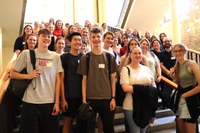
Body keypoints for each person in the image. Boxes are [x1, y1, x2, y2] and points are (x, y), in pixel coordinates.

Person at [10, 29, 63, 133]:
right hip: (30, 102)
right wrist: (28, 76)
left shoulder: (56, 57)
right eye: (43, 36)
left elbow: (58, 81)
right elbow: (12, 74)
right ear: (38, 37)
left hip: (49, 103)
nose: (46, 38)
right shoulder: (26, 54)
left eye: (48, 36)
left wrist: (57, 102)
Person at [77, 28, 118, 133]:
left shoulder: (109, 57)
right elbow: (84, 80)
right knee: (89, 129)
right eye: (93, 37)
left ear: (102, 38)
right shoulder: (85, 58)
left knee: (109, 128)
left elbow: (113, 79)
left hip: (107, 98)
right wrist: (84, 100)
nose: (96, 39)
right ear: (90, 39)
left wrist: (113, 97)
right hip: (90, 99)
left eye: (98, 36)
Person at [120, 46, 157, 133]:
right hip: (131, 105)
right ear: (130, 55)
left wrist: (139, 88)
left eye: (139, 53)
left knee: (143, 131)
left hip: (146, 104)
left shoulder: (146, 69)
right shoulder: (126, 69)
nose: (138, 55)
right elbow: (125, 88)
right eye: (135, 53)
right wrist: (146, 89)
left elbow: (153, 85)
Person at [170, 43, 200, 133]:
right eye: (175, 51)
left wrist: (185, 95)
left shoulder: (191, 64)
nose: (177, 53)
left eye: (180, 50)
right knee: (181, 127)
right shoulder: (177, 65)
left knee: (190, 126)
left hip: (190, 98)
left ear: (184, 52)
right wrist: (172, 74)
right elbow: (177, 82)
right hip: (181, 99)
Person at [60, 32, 83, 133]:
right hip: (69, 97)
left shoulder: (84, 57)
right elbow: (60, 79)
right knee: (67, 124)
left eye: (79, 40)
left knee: (81, 126)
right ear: (69, 42)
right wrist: (63, 99)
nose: (78, 42)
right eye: (75, 40)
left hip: (82, 97)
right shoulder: (64, 57)